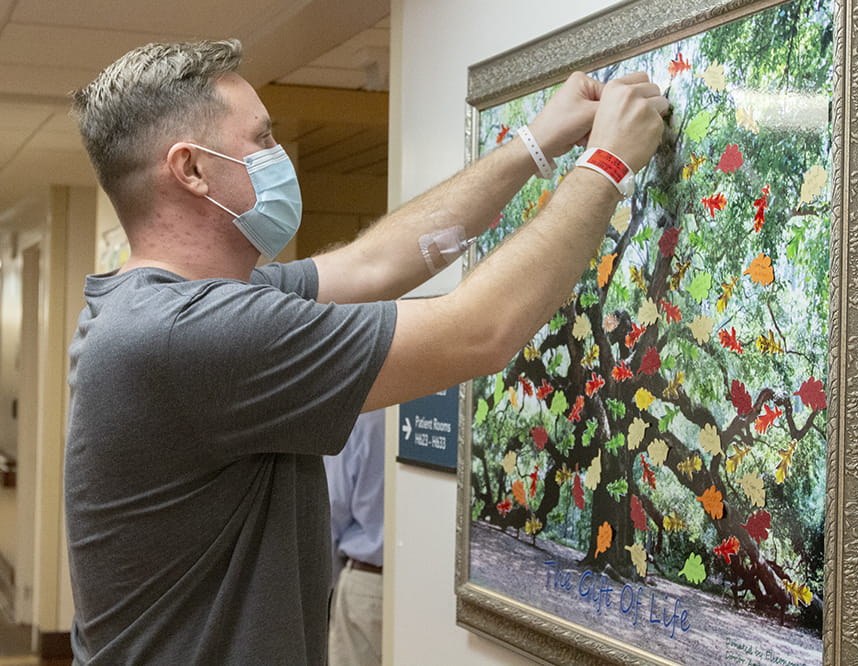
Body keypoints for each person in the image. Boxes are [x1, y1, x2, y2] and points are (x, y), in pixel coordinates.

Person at [63, 39, 669, 664]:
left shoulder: (169, 307)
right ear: (191, 169)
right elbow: (480, 330)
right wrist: (606, 166)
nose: (278, 156)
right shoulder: (188, 333)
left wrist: (533, 145)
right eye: (262, 139)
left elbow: (378, 262)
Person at [323, 409, 385, 665]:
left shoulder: (362, 417)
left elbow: (330, 511)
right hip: (427, 588)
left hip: (365, 585)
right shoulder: (434, 409)